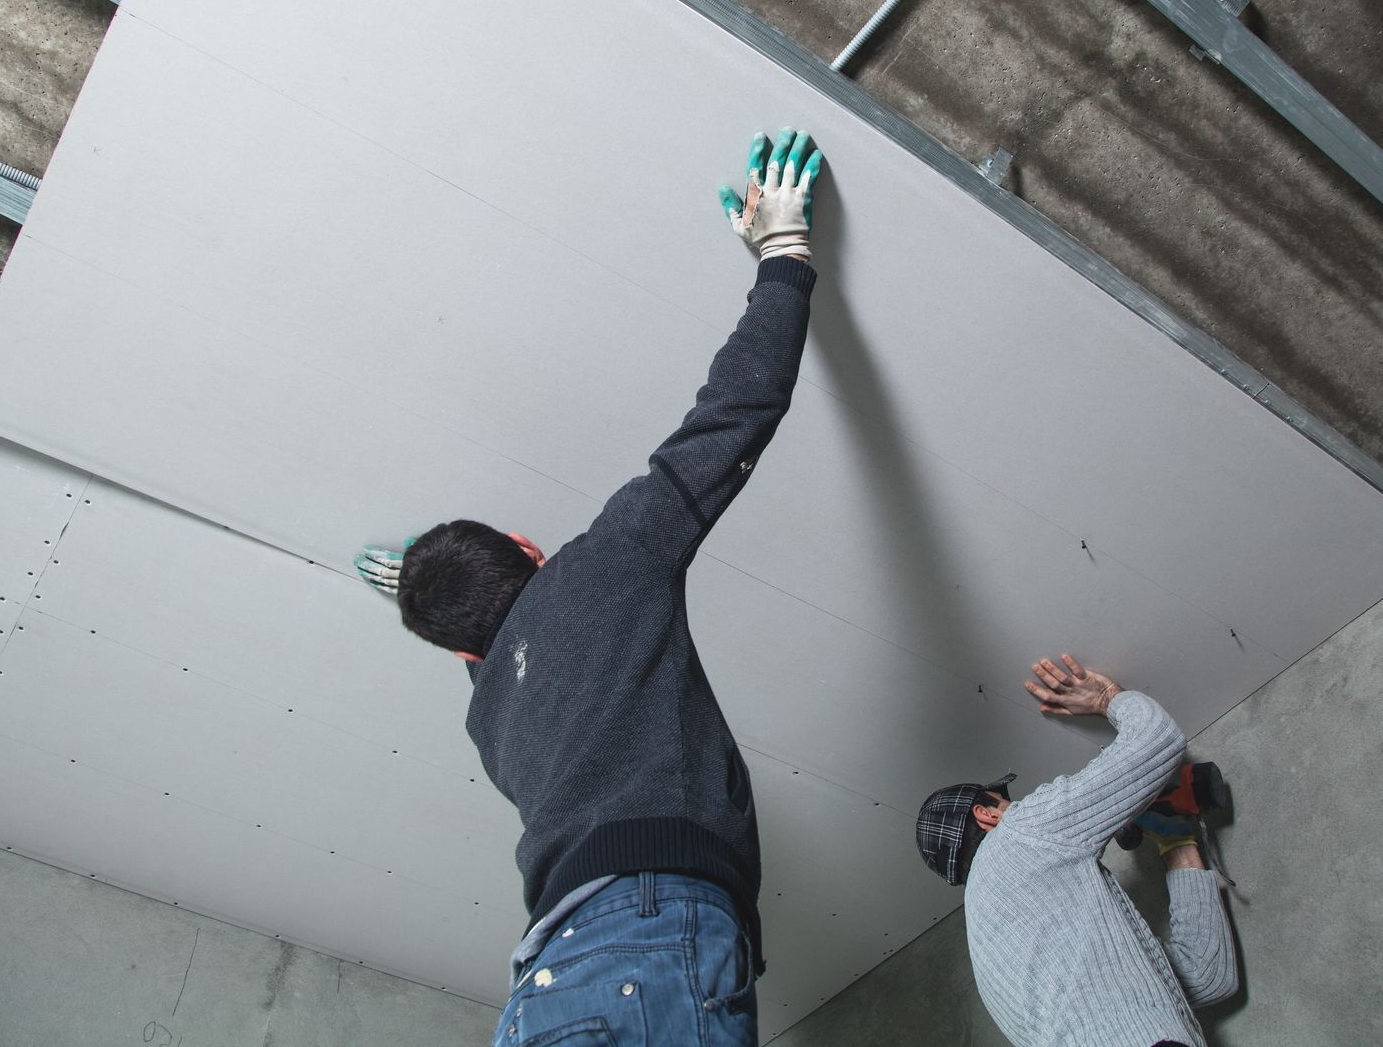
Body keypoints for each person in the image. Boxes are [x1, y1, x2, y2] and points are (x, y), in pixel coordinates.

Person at [354, 127, 824, 1047]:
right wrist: (784, 254)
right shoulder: (606, 561)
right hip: (640, 943)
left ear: (463, 652)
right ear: (532, 545)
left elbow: (513, 664)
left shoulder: (489, 722)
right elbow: (732, 413)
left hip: (549, 977)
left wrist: (420, 587)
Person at [915, 652, 1239, 1047]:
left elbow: (1207, 977)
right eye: (1004, 799)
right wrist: (1105, 697)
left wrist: (1176, 842)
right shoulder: (1020, 832)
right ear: (986, 816)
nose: (1019, 803)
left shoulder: (991, 962)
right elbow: (1158, 739)